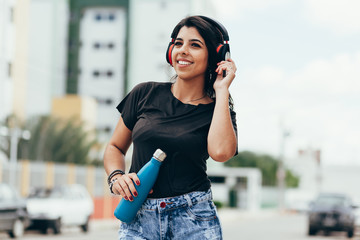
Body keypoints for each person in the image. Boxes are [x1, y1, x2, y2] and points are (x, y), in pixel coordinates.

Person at [104, 15, 238, 239]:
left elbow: (221, 153)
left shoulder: (218, 110)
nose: (183, 50)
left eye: (195, 45)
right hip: (139, 216)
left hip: (193, 218)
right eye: (178, 43)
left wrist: (222, 90)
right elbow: (115, 147)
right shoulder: (143, 94)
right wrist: (117, 177)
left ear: (216, 56)